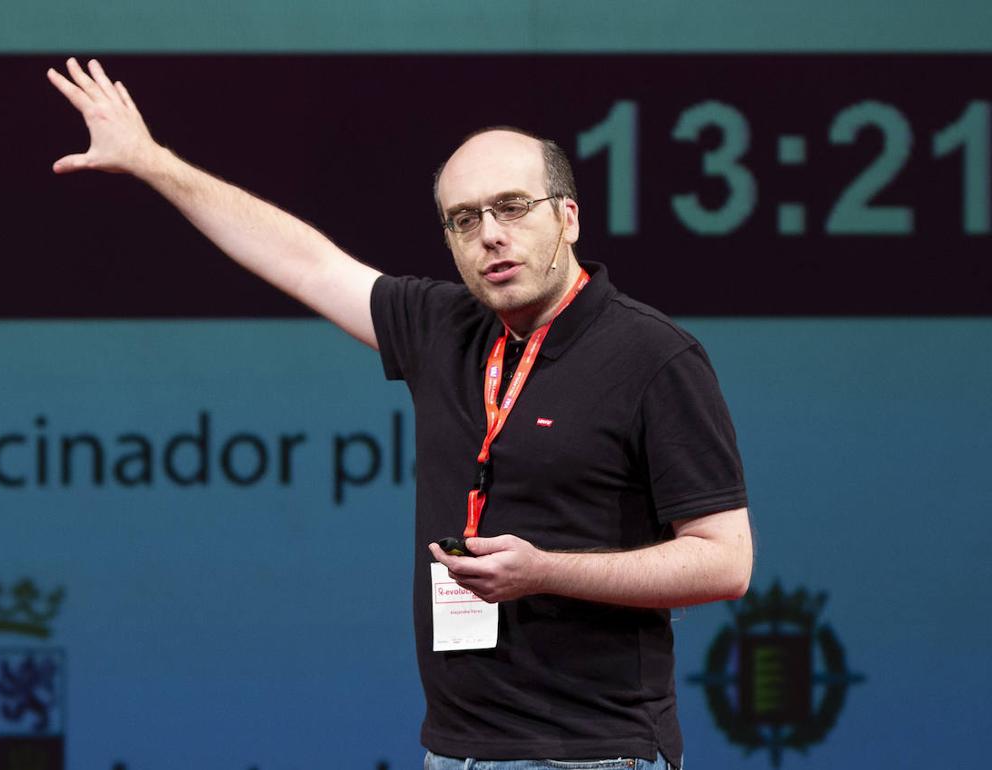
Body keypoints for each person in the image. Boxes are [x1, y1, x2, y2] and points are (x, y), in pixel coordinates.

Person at [48, 58, 753, 769]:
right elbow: (305, 263)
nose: (491, 235)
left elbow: (725, 562)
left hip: (593, 753)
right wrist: (151, 161)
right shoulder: (444, 327)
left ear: (568, 217)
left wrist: (545, 572)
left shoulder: (653, 356)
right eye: (465, 219)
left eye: (513, 207)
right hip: (453, 751)